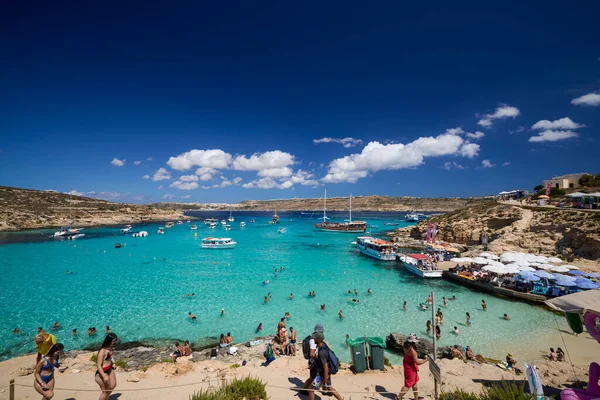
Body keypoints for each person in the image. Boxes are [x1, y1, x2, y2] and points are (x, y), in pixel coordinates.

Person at [310, 332, 343, 400]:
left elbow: (325, 367)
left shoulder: (322, 352)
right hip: (326, 373)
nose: (313, 339)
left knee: (311, 389)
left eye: (315, 338)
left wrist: (324, 381)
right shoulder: (323, 345)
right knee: (329, 388)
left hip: (322, 374)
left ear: (318, 340)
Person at [396, 334, 428, 400]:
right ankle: (398, 397)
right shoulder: (412, 351)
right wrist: (427, 359)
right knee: (408, 384)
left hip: (407, 365)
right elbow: (418, 362)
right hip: (411, 368)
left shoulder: (405, 346)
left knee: (414, 384)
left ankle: (416, 398)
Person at [95, 333, 118, 400]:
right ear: (109, 340)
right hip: (102, 372)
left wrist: (113, 363)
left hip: (110, 369)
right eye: (113, 341)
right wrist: (104, 375)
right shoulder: (102, 351)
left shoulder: (110, 348)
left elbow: (110, 358)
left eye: (115, 340)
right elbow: (98, 365)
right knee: (105, 391)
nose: (115, 342)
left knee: (113, 385)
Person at [302, 324, 324, 392]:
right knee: (312, 378)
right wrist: (318, 357)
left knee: (317, 377)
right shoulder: (313, 340)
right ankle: (303, 389)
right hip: (314, 362)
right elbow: (312, 354)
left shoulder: (314, 337)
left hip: (314, 362)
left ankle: (325, 388)